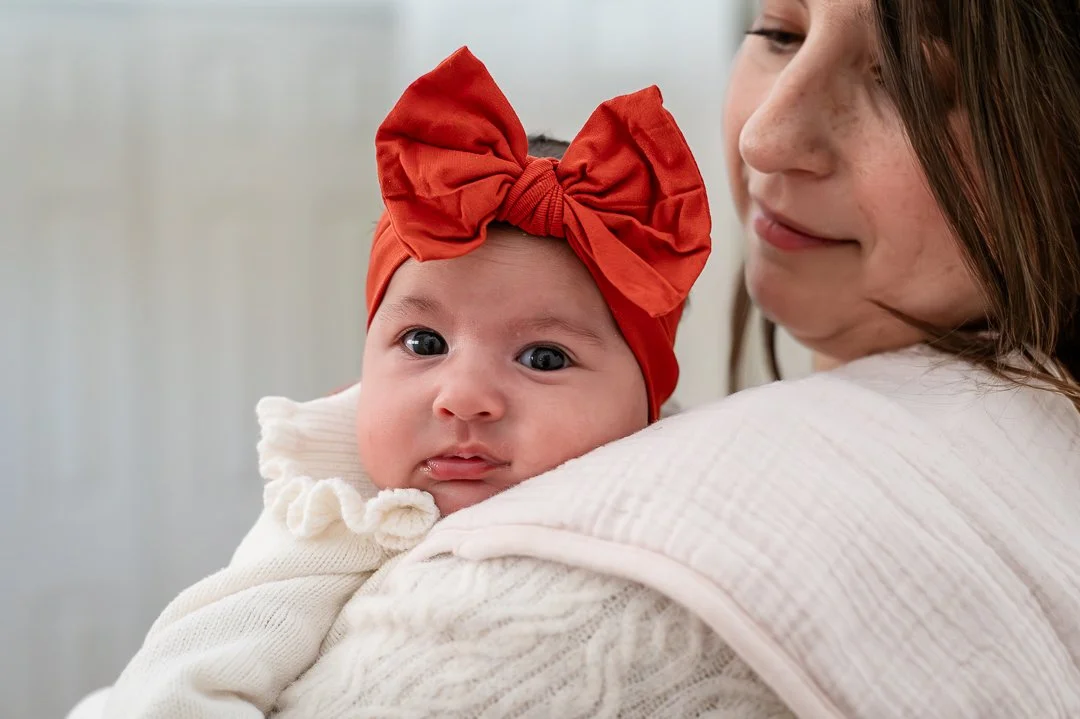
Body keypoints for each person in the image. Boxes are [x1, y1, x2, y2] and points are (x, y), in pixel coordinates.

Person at [232, 1, 1080, 717]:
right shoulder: (317, 513)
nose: (766, 136)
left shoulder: (603, 603)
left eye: (912, 81)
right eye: (779, 31)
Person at [98, 47, 711, 717]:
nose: (463, 395)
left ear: (649, 407)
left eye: (543, 357)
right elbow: (173, 690)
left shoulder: (687, 498)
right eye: (424, 343)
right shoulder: (332, 522)